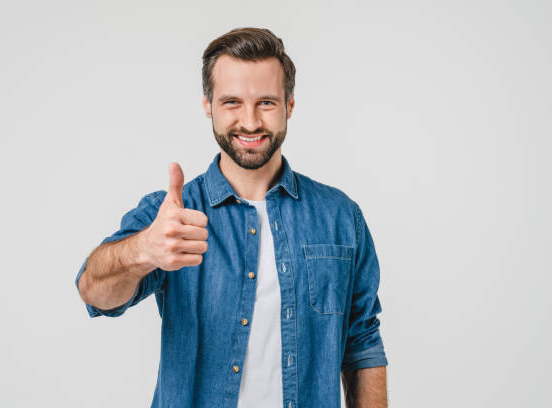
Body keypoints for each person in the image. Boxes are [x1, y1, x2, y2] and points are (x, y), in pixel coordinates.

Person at [75, 27, 389, 408]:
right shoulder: (172, 216)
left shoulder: (340, 217)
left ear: (290, 104)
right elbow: (94, 293)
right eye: (232, 103)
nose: (251, 122)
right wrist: (144, 249)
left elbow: (362, 344)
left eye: (267, 103)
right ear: (208, 104)